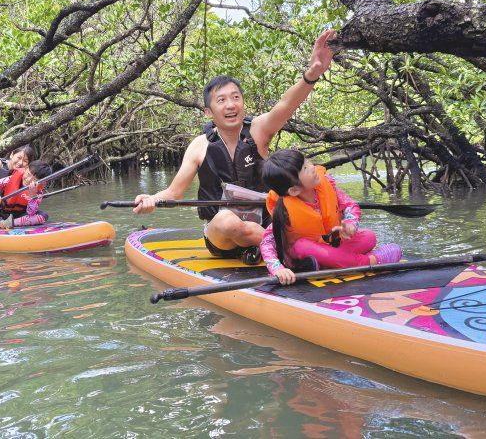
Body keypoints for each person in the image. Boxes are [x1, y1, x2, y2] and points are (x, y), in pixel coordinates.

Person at [133, 28, 337, 264]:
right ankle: (294, 256)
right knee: (228, 221)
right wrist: (151, 200)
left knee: (284, 216)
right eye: (221, 100)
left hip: (265, 227)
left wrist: (313, 73)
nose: (230, 105)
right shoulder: (199, 146)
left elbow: (286, 105)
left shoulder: (258, 131)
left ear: (243, 103)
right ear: (209, 112)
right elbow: (174, 193)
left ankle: (271, 250)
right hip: (222, 237)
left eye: (235, 97)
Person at [261, 149, 402, 285]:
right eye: (304, 169)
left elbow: (350, 205)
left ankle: (326, 265)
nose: (311, 167)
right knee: (301, 246)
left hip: (330, 245)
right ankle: (370, 262)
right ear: (294, 190)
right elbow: (266, 242)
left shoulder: (327, 186)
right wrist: (277, 269)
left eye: (307, 161)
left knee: (369, 237)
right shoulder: (285, 210)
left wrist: (351, 224)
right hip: (302, 254)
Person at [0, 160, 53, 229]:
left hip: (19, 216)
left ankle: (7, 224)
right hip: (2, 212)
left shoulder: (38, 192)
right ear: (26, 169)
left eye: (35, 180)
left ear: (41, 182)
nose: (29, 180)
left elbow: (31, 213)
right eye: (28, 174)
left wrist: (32, 197)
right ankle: (0, 223)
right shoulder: (10, 179)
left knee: (44, 215)